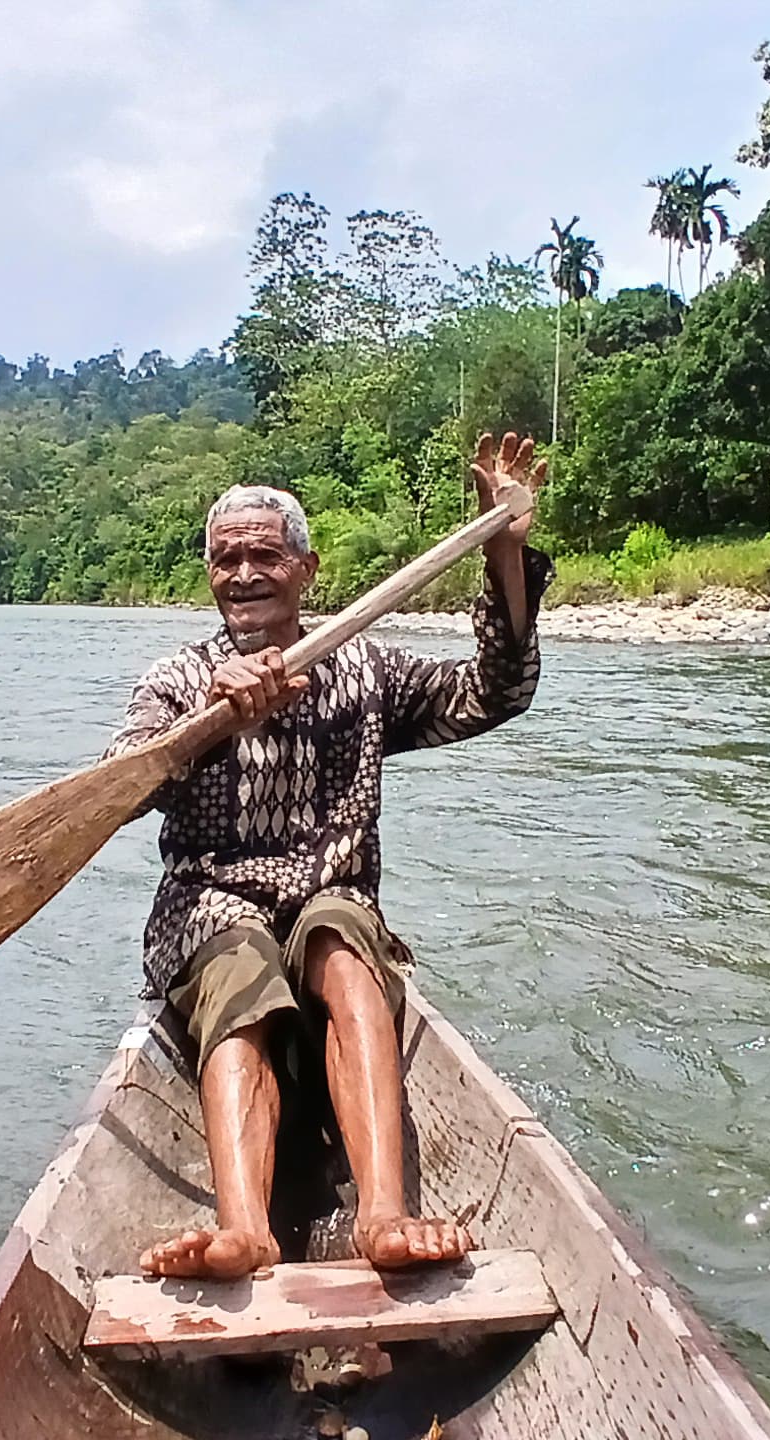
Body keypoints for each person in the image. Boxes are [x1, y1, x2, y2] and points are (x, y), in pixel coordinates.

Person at [103, 432, 552, 1279]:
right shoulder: (173, 680)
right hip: (213, 906)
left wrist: (503, 555)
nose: (243, 575)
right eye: (226, 559)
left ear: (304, 571)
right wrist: (208, 717)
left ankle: (384, 1216)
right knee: (238, 968)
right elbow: (119, 788)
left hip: (329, 897)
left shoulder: (362, 668)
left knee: (345, 945)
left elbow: (493, 695)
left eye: (264, 555)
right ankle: (244, 1231)